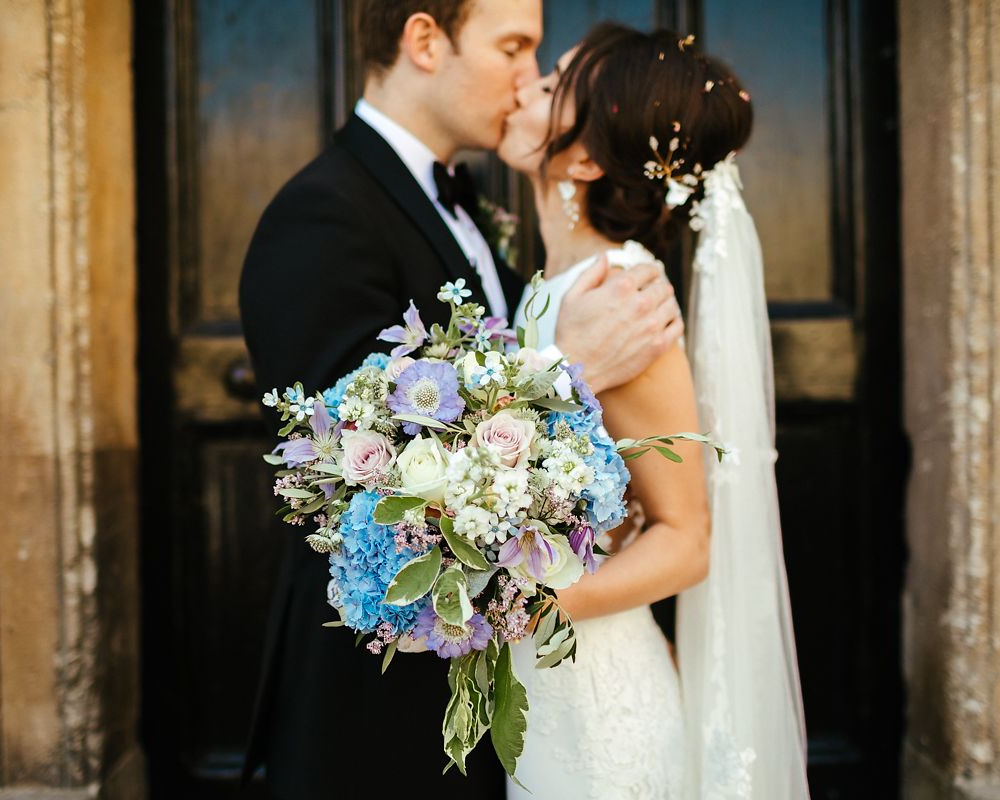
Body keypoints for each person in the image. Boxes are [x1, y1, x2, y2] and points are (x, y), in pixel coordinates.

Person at [236, 3, 684, 796]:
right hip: (375, 710)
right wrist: (562, 362)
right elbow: (352, 490)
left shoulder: (473, 207)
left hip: (489, 694)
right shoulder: (320, 217)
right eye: (513, 46)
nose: (527, 78)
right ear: (423, 41)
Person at [498, 22, 810, 798]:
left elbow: (687, 539)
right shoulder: (550, 287)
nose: (524, 82)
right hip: (538, 685)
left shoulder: (626, 298)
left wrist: (531, 603)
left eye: (551, 83)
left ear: (587, 157)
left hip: (594, 702)